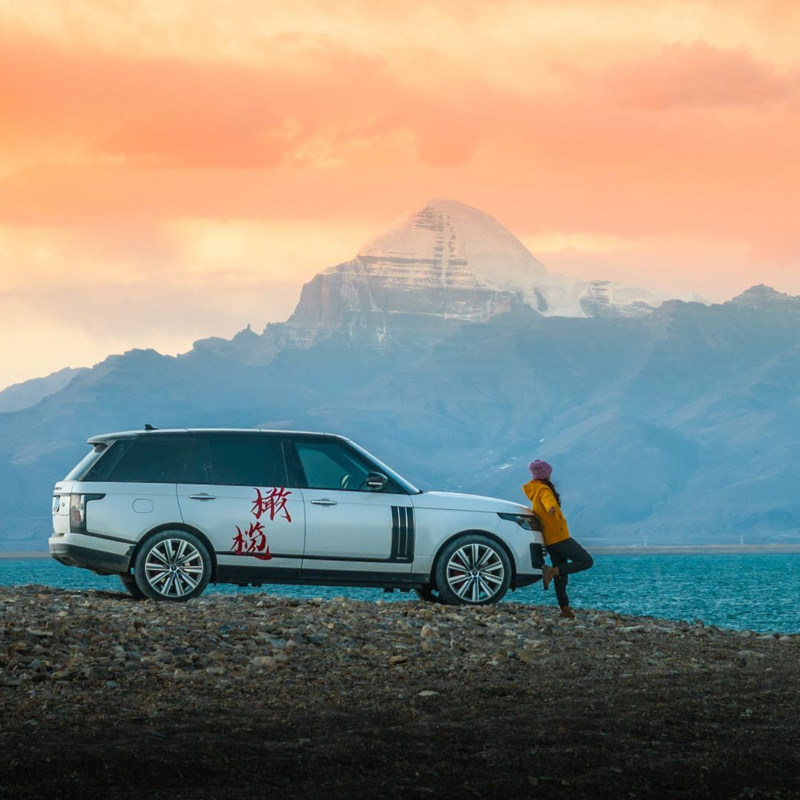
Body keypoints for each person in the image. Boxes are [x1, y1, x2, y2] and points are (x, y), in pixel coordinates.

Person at [523, 459, 593, 619]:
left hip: (550, 538)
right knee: (586, 561)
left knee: (562, 573)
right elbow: (549, 502)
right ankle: (551, 571)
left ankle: (565, 608)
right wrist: (552, 508)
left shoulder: (534, 490)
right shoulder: (543, 489)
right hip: (558, 537)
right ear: (545, 474)